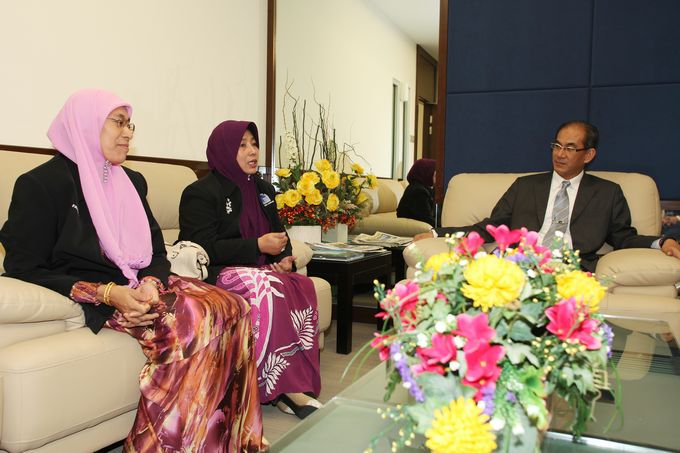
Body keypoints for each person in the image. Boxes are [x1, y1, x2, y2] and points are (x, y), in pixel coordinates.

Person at [0, 90, 265, 452]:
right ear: (87, 124)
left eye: (130, 125)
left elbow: (156, 249)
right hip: (98, 291)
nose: (128, 133)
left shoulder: (132, 180)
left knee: (235, 305)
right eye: (119, 123)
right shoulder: (42, 184)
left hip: (142, 282)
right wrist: (108, 294)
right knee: (189, 320)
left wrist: (152, 283)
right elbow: (22, 265)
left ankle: (225, 442)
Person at [178, 120, 322, 419]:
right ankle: (281, 387)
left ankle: (290, 382)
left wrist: (284, 258)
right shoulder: (201, 192)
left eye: (254, 143)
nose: (252, 151)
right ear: (224, 150)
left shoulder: (263, 189)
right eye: (242, 145)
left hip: (256, 269)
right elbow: (203, 247)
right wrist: (256, 245)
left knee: (300, 284)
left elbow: (279, 234)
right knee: (266, 288)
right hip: (217, 272)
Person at [414, 120, 680, 271]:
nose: (560, 154)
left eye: (570, 148)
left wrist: (661, 242)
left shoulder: (607, 193)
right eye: (557, 145)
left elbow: (623, 237)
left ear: (589, 155)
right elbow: (492, 227)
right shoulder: (525, 186)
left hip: (572, 269)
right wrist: (438, 233)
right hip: (520, 264)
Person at [397, 158, 437, 226]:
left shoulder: (423, 188)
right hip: (413, 228)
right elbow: (428, 220)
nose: (437, 178)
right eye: (435, 175)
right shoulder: (418, 191)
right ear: (426, 173)